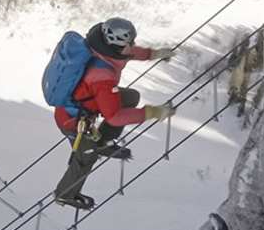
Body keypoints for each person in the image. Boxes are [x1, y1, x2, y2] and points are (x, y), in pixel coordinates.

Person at [52, 17, 177, 210]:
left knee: (130, 97)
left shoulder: (101, 49)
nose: (132, 46)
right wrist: (152, 112)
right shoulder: (102, 76)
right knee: (86, 156)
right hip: (72, 120)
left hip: (87, 102)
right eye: (130, 43)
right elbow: (115, 117)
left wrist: (154, 54)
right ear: (118, 46)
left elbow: (130, 53)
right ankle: (65, 194)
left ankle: (103, 143)